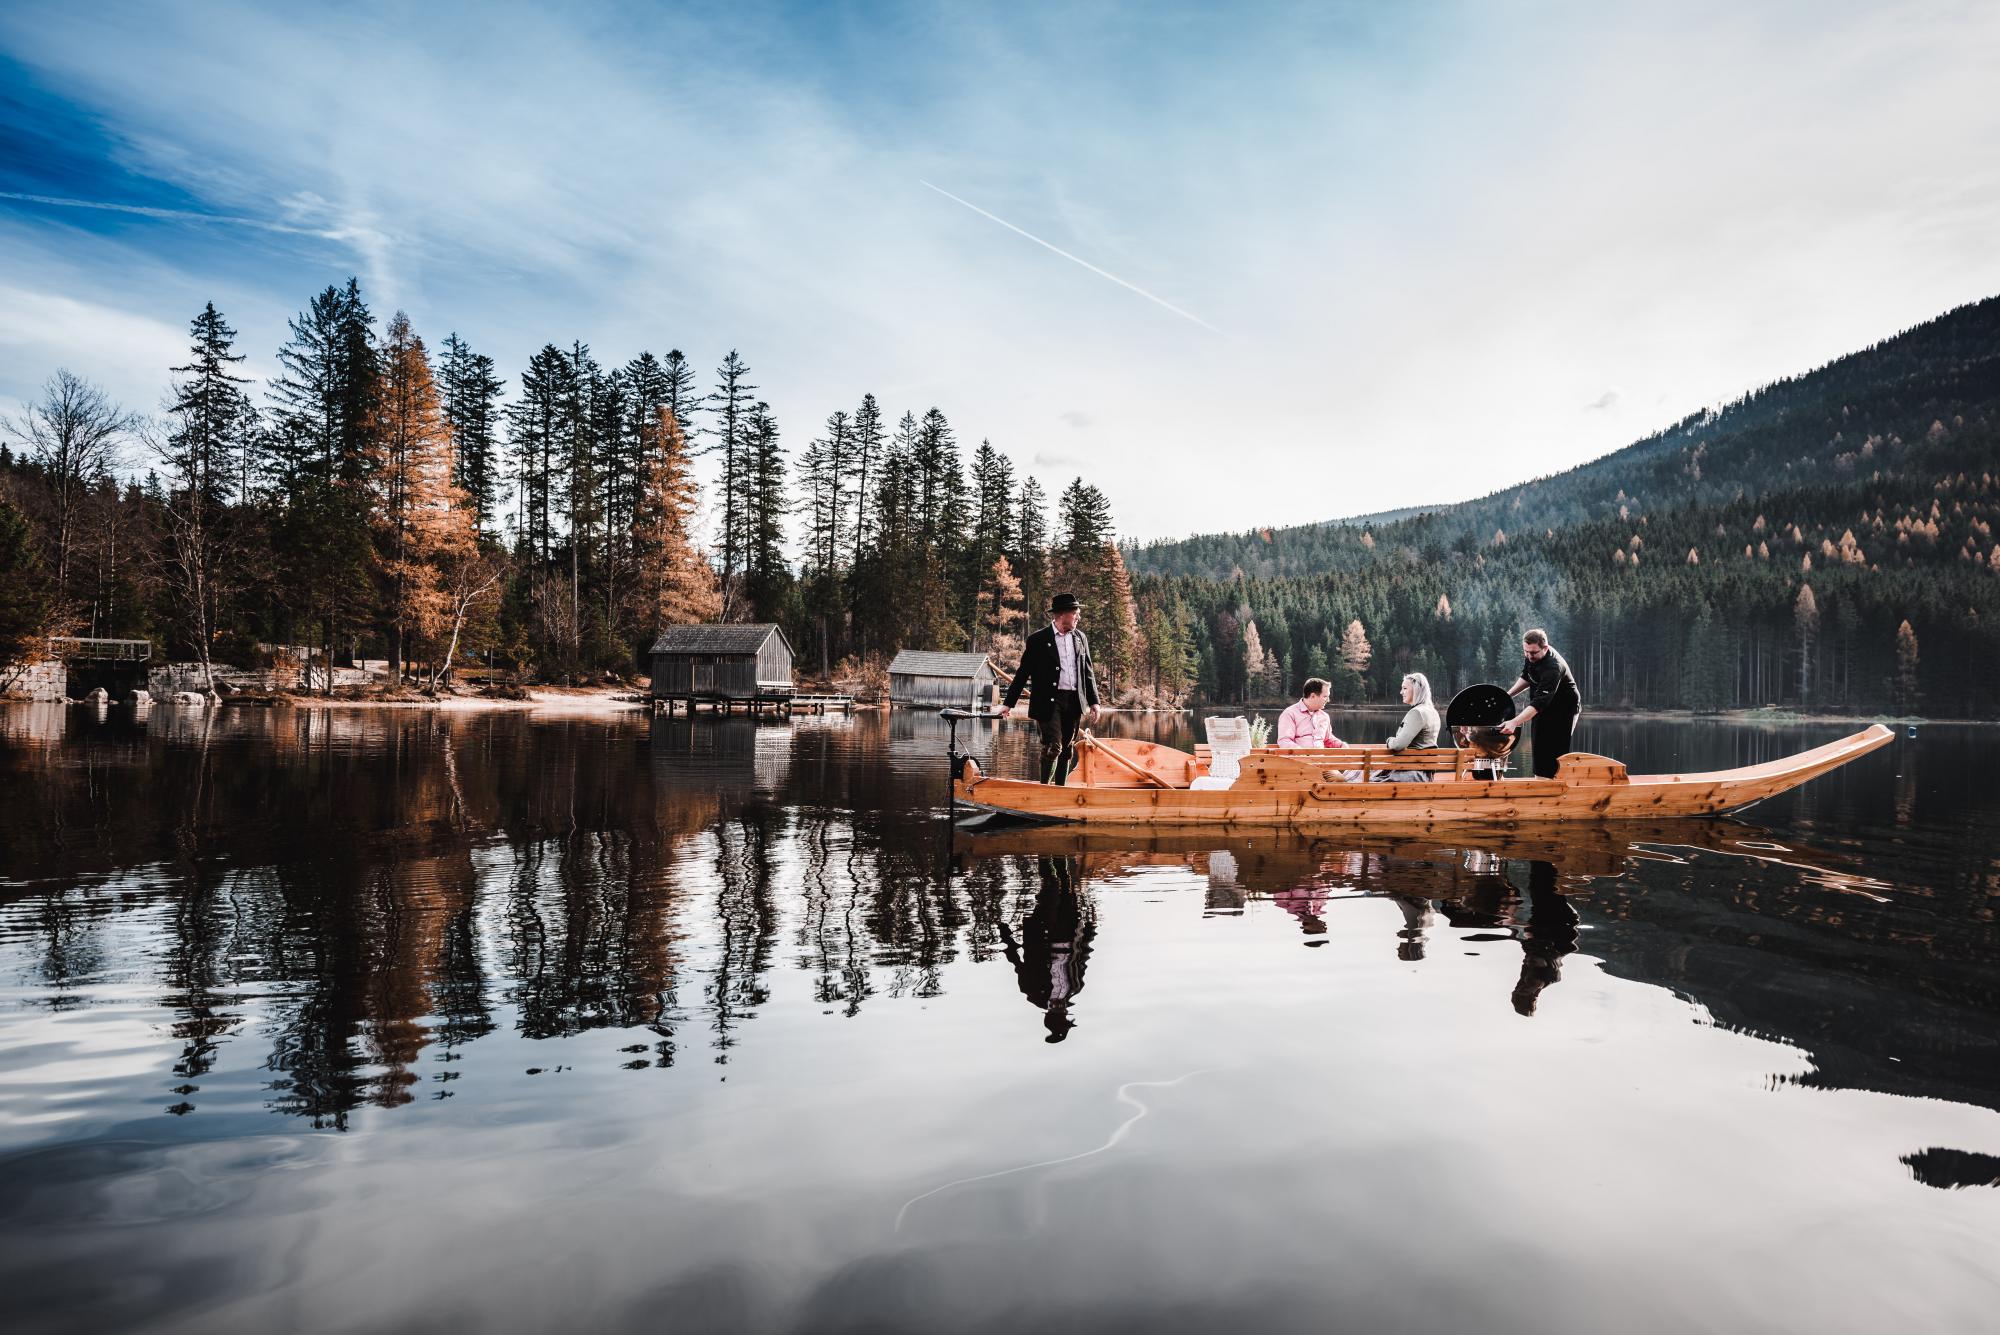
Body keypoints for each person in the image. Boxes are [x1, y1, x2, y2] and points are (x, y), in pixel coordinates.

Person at [1002, 592, 1100, 784]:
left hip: (1073, 701)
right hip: (1048, 702)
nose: (1078, 617)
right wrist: (1008, 703)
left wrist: (1094, 702)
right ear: (1061, 614)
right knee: (1054, 746)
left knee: (1066, 747)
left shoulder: (1081, 638)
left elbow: (1088, 671)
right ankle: (1044, 787)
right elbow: (1023, 673)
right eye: (1075, 613)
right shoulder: (1038, 640)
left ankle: (1060, 790)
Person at [1500, 628, 1581, 779]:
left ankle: (1555, 786)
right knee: (1539, 746)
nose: (1529, 656)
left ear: (1545, 647)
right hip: (1545, 704)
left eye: (1533, 653)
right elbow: (1527, 676)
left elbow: (1538, 703)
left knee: (1555, 750)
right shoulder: (1532, 654)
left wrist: (1514, 722)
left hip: (1564, 709)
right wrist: (1507, 695)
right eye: (1526, 651)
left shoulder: (1553, 667)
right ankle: (1540, 782)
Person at [1375, 672, 1441, 781]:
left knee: (1364, 782)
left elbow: (1398, 745)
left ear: (1416, 690)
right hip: (1425, 774)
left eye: (1405, 688)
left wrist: (1389, 740)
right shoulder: (1433, 712)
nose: (1401, 692)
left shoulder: (1417, 712)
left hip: (1411, 773)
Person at [1277, 678, 1346, 749]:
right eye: (1325, 696)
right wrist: (1303, 754)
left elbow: (1328, 739)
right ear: (1313, 696)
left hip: (1321, 758)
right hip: (1298, 758)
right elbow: (1284, 741)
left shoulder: (1324, 716)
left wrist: (1341, 745)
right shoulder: (1290, 713)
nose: (1328, 700)